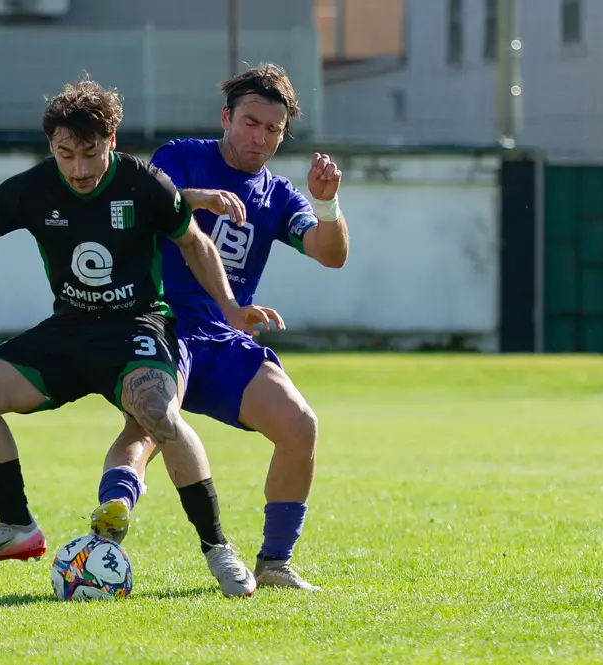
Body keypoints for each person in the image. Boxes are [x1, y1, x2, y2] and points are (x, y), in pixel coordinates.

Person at [0, 77, 283, 598]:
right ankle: (16, 526)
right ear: (51, 147)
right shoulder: (30, 189)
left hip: (137, 326)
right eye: (65, 154)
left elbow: (195, 244)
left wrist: (231, 308)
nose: (79, 169)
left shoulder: (145, 183)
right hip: (69, 330)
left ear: (112, 141)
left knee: (160, 415)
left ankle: (218, 548)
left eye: (89, 154)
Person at [90, 63, 350, 592]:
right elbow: (140, 201)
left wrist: (327, 204)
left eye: (273, 130)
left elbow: (331, 254)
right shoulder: (182, 157)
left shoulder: (278, 195)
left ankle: (274, 564)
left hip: (223, 334)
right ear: (227, 118)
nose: (260, 138)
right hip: (160, 323)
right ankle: (111, 519)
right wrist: (200, 198)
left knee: (300, 426)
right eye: (251, 123)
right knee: (148, 426)